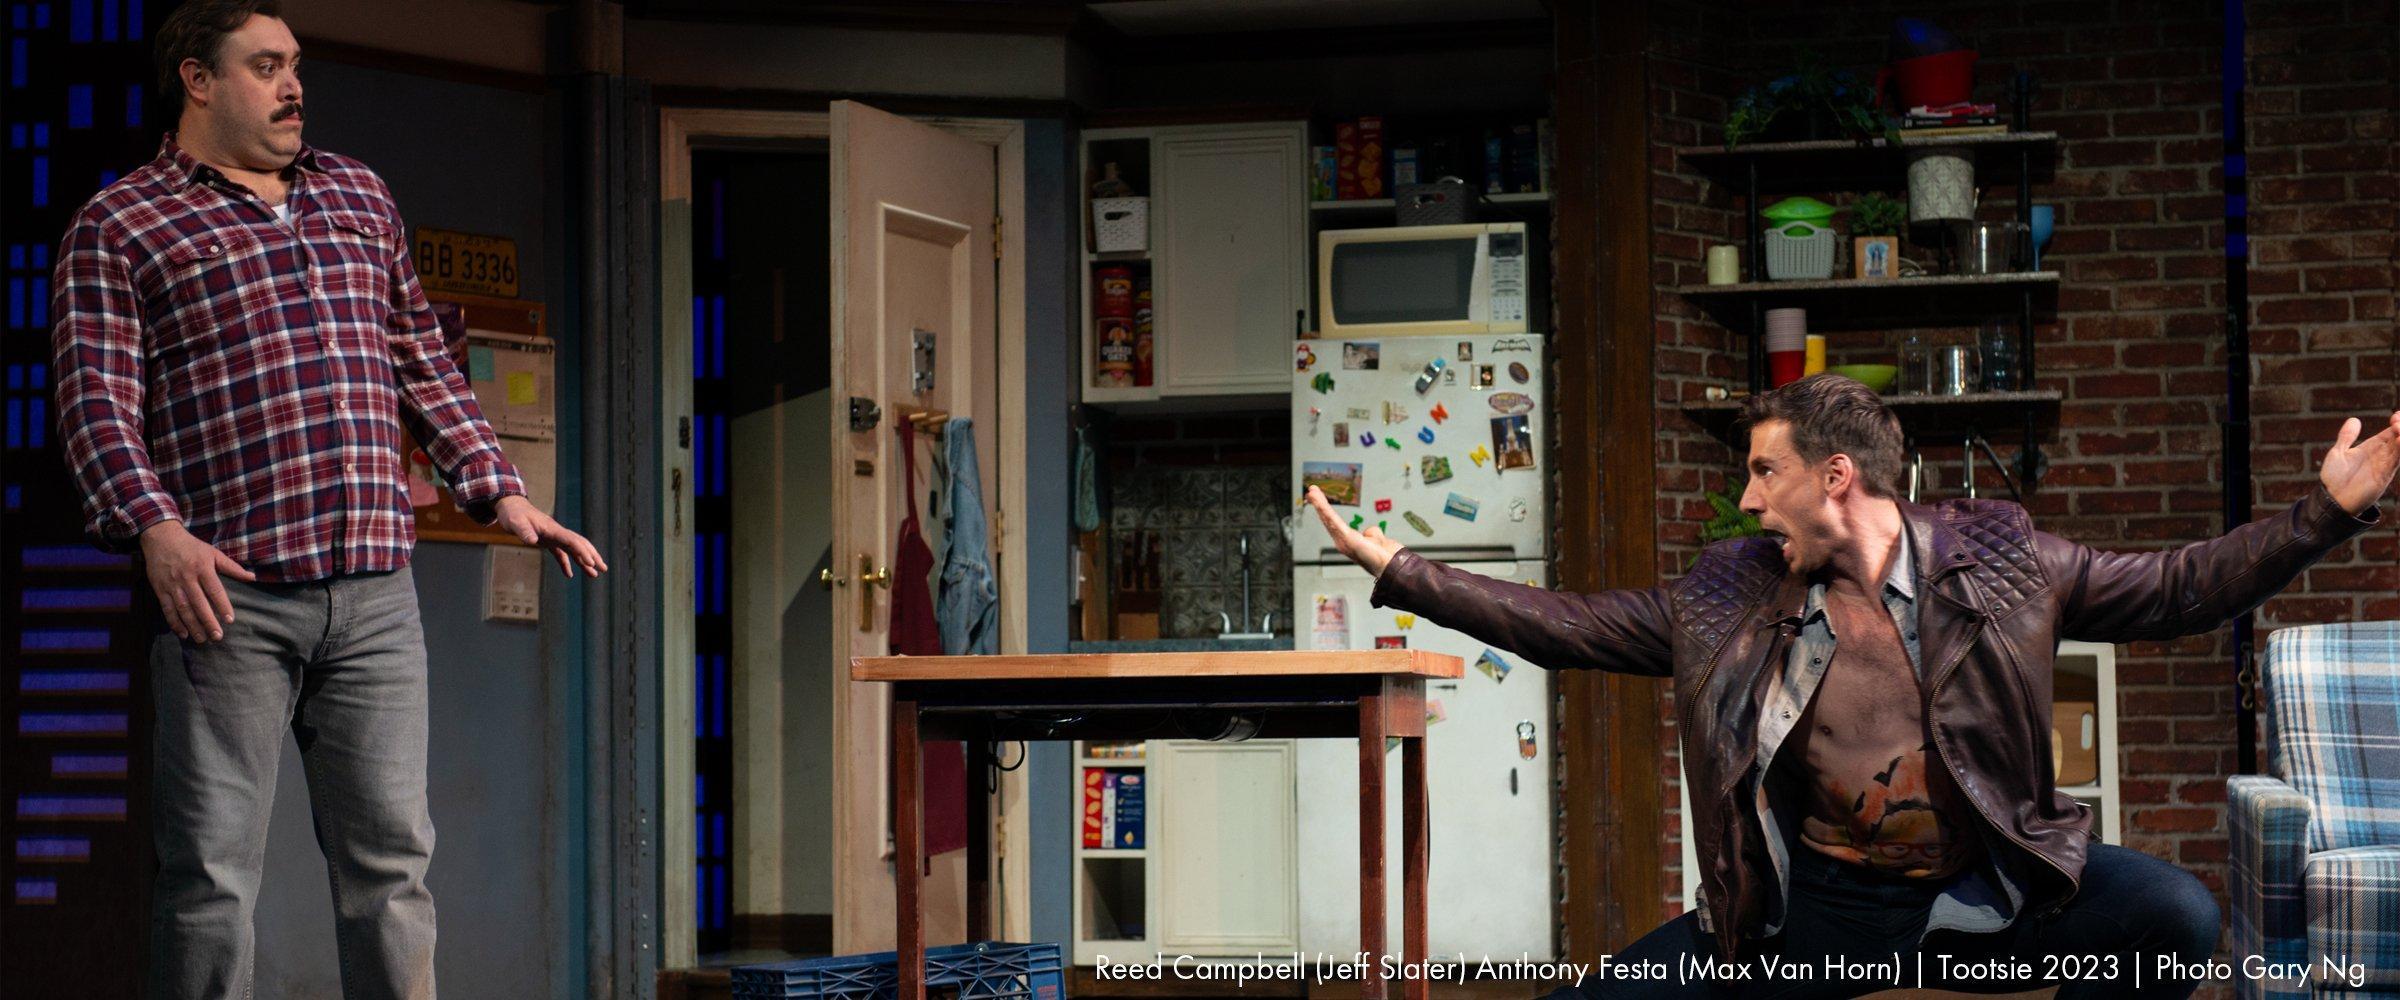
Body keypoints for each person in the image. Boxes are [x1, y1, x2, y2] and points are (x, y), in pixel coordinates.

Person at [1305, 374, 2399, 999]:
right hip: (1819, 914)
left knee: (2178, 915)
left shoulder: (2001, 561)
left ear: (1835, 476)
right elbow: (1568, 626)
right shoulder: (1732, 594)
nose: (1747, 500)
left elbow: (2180, 588)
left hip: (1990, 899)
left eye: (1763, 471)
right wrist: (1405, 571)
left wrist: (2325, 515)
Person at [49, 3, 605, 997]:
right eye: (266, 66)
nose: (294, 86)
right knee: (212, 875)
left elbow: (419, 357)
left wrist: (497, 489)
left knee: (392, 868)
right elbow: (96, 401)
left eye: (296, 65)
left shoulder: (355, 192)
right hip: (230, 594)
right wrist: (153, 526)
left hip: (374, 592)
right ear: (198, 80)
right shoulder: (122, 222)